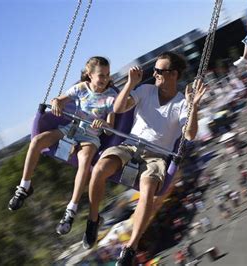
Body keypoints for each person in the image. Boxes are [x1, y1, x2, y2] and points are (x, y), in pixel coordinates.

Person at [81, 51, 207, 265]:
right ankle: (93, 220)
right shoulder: (145, 90)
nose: (155, 74)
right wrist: (130, 84)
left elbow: (190, 134)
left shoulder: (182, 103)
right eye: (155, 70)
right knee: (99, 169)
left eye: (160, 71)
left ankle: (130, 247)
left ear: (174, 74)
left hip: (156, 155)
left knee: (148, 191)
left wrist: (193, 106)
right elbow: (118, 108)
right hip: (130, 145)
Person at [7, 56, 117, 236]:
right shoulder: (81, 89)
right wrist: (56, 102)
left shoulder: (110, 96)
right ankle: (24, 187)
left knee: (85, 161)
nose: (105, 79)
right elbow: (59, 99)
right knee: (37, 141)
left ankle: (71, 210)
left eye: (107, 75)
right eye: (101, 75)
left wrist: (103, 125)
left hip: (91, 137)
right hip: (72, 129)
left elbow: (111, 130)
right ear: (89, 75)